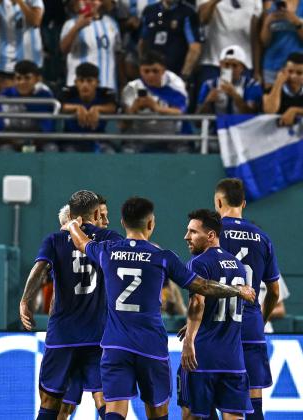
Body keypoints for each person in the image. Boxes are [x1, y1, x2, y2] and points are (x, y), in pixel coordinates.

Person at [65, 196, 255, 420]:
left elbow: (81, 242)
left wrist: (72, 225)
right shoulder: (162, 257)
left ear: (123, 222)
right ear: (150, 224)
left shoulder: (107, 251)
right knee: (158, 411)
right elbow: (202, 286)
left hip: (116, 344)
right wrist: (237, 290)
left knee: (114, 411)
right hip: (151, 346)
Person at [20, 190, 123, 420]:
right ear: (96, 213)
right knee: (105, 398)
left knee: (50, 401)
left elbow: (39, 270)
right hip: (99, 333)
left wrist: (25, 300)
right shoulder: (111, 238)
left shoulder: (54, 240)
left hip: (63, 334)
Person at [214, 178, 281, 420]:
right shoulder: (263, 238)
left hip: (218, 327)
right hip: (250, 324)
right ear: (243, 203)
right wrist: (260, 320)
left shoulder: (211, 234)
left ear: (218, 202)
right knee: (254, 405)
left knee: (218, 402)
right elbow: (274, 292)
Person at [177, 209, 253, 420]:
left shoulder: (198, 263)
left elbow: (198, 301)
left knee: (192, 415)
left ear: (210, 235)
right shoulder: (238, 266)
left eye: (192, 232)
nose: (186, 237)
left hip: (203, 357)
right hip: (233, 360)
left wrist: (189, 341)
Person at [121, 51, 188, 153]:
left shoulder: (175, 84)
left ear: (163, 70)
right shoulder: (131, 88)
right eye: (146, 71)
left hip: (171, 138)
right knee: (127, 151)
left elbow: (180, 112)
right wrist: (133, 109)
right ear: (140, 70)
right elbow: (122, 125)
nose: (151, 75)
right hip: (140, 138)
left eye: (155, 71)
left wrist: (156, 107)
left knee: (184, 152)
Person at [0, 0, 44, 90]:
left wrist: (20, 2)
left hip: (31, 60)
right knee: (6, 101)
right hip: (6, 61)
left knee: (31, 100)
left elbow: (35, 21)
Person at [196, 0, 261, 85]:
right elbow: (203, 19)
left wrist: (257, 71)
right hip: (213, 63)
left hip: (244, 64)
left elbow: (255, 37)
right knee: (211, 97)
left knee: (240, 98)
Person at [59, 0, 120, 90]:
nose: (90, 2)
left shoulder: (112, 24)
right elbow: (64, 49)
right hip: (78, 87)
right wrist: (77, 27)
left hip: (107, 84)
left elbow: (118, 54)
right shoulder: (70, 24)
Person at [0, 60, 56, 151]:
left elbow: (47, 126)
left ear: (37, 79)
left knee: (51, 149)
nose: (22, 82)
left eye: (27, 78)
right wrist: (11, 140)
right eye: (18, 78)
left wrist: (34, 142)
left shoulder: (44, 96)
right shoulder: (5, 95)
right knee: (5, 150)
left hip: (38, 142)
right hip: (12, 142)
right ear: (14, 79)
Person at [59, 62, 117, 152]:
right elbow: (60, 106)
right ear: (76, 82)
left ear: (97, 83)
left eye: (89, 81)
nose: (85, 85)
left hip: (98, 140)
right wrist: (77, 108)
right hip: (71, 141)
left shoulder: (105, 93)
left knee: (109, 152)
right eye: (81, 81)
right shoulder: (68, 92)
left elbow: (113, 107)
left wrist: (97, 108)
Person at [139, 0, 201, 81]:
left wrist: (184, 76)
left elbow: (195, 48)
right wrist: (143, 69)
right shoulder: (149, 11)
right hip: (152, 74)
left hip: (175, 74)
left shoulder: (188, 13)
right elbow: (142, 43)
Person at [197, 45, 263, 115]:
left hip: (243, 126)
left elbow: (251, 115)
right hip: (219, 126)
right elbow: (197, 120)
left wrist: (235, 95)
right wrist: (207, 102)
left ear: (242, 68)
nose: (230, 69)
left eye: (235, 65)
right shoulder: (209, 85)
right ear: (220, 65)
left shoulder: (251, 85)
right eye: (226, 65)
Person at [259, 0, 303, 86]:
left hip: (298, 69)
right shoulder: (269, 4)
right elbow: (265, 42)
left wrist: (296, 21)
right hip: (272, 67)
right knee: (272, 99)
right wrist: (268, 21)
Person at [263, 52, 303, 126]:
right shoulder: (269, 90)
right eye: (290, 71)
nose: (293, 76)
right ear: (283, 71)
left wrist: (295, 110)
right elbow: (269, 111)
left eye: (299, 73)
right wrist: (278, 82)